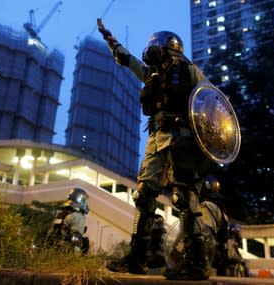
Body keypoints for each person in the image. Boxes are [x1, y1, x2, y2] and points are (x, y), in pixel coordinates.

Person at [98, 18, 217, 280]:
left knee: (184, 197)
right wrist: (110, 39)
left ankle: (196, 262)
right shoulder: (153, 74)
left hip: (183, 138)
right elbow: (127, 61)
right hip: (156, 139)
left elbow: (212, 101)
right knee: (143, 195)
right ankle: (136, 258)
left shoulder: (189, 71)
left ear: (164, 47)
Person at [47, 188, 90, 254]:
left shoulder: (60, 215)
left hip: (55, 251)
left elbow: (50, 235)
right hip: (67, 252)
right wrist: (75, 258)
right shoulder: (77, 216)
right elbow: (76, 238)